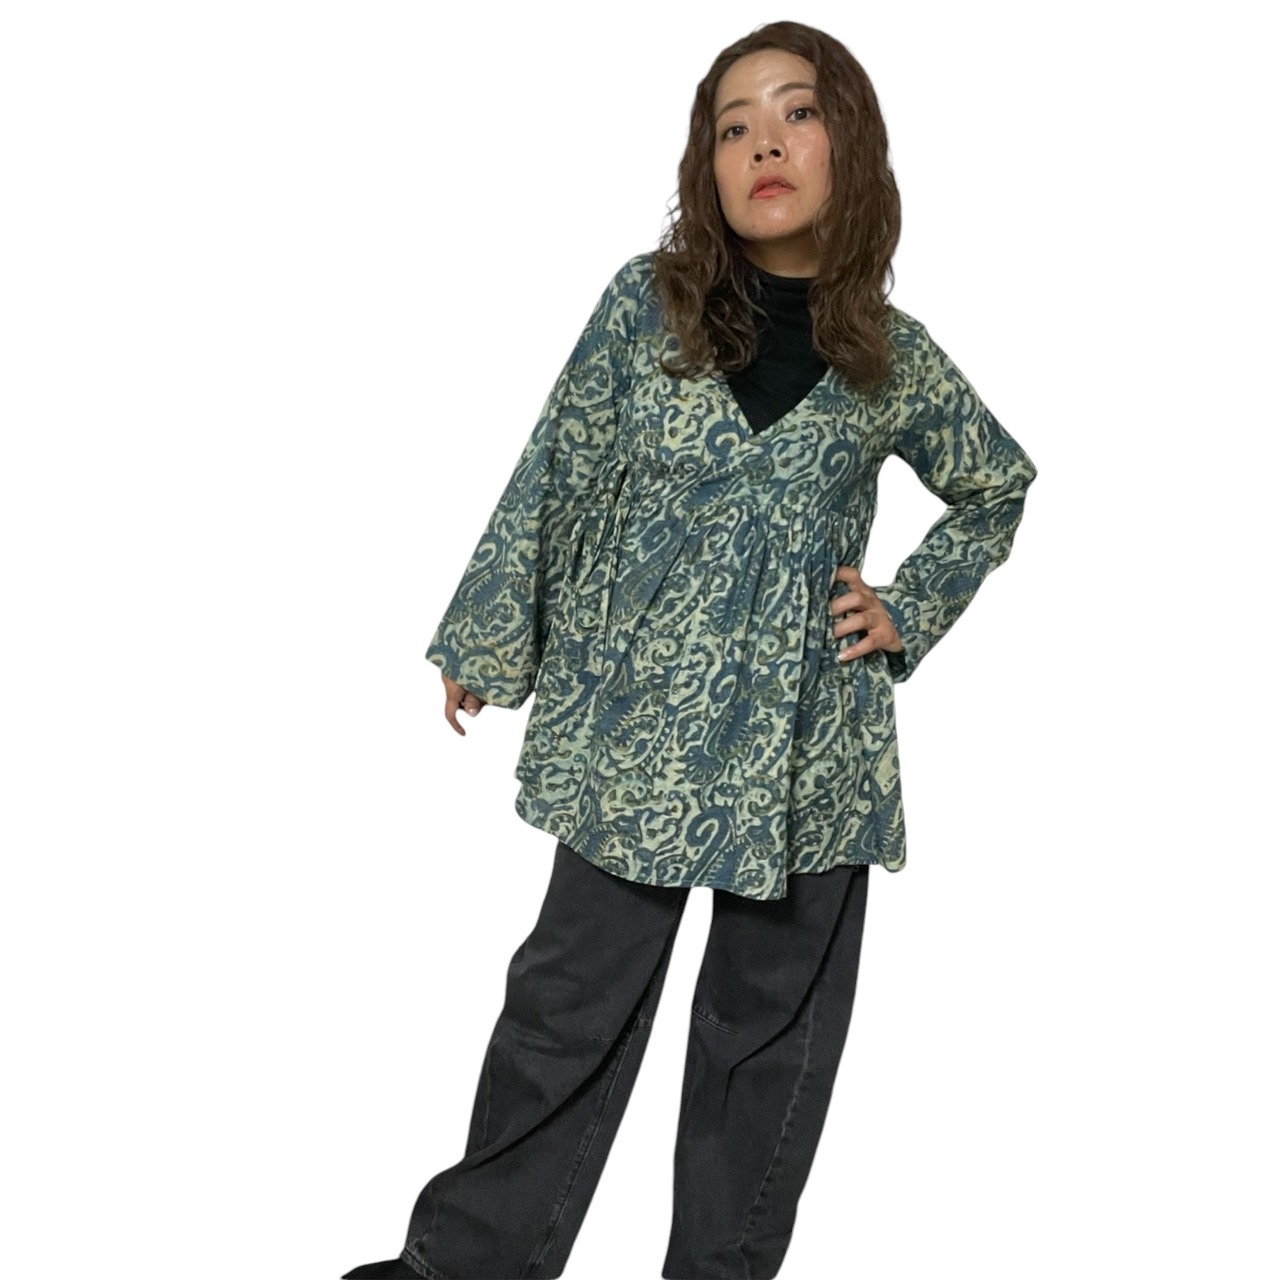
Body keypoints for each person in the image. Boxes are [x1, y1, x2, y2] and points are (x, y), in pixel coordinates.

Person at [344, 19, 1037, 1280]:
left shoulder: (892, 357)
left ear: (849, 146)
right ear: (705, 167)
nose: (763, 142)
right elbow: (557, 469)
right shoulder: (646, 307)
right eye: (732, 126)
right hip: (636, 735)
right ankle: (462, 1264)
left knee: (762, 1049)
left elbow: (995, 484)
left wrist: (909, 605)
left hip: (808, 755)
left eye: (797, 112)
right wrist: (492, 633)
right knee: (560, 1010)